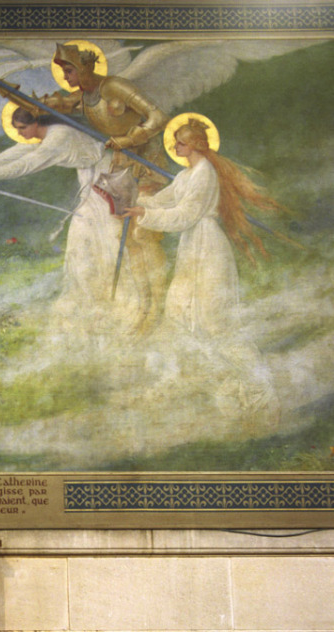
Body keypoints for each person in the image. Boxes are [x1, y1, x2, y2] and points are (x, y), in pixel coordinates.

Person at [124, 116, 284, 417]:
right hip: (191, 248)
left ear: (196, 145)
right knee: (179, 313)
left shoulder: (205, 174)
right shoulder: (186, 176)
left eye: (180, 142)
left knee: (216, 323)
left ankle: (262, 390)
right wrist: (138, 198)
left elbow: (185, 215)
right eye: (175, 142)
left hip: (208, 249)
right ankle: (224, 384)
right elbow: (165, 200)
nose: (174, 146)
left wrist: (144, 212)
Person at [0, 105, 142, 324]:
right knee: (81, 240)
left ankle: (117, 298)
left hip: (110, 179)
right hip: (91, 180)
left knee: (105, 238)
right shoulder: (41, 138)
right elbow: (6, 157)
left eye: (23, 127)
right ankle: (88, 297)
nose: (20, 133)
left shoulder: (59, 137)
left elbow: (28, 164)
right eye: (17, 128)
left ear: (36, 123)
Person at [44, 42, 171, 324]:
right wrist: (0, 85)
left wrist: (128, 140)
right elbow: (40, 105)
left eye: (68, 70)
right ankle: (142, 308)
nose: (65, 77)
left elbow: (159, 117)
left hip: (146, 165)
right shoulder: (83, 97)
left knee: (142, 236)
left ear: (83, 68)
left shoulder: (115, 87)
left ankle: (158, 309)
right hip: (121, 170)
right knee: (126, 241)